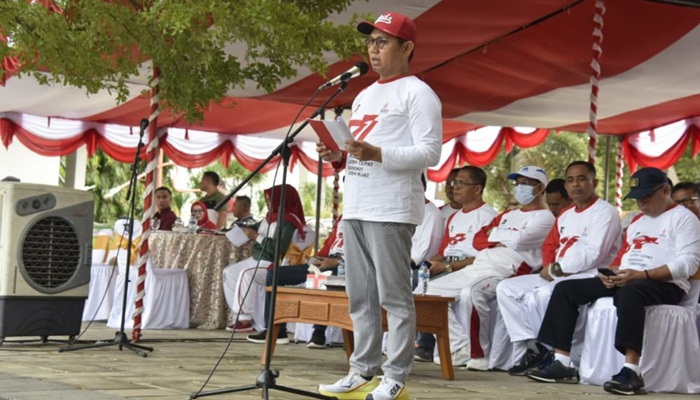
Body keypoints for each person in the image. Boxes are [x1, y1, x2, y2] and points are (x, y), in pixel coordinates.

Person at [316, 11, 443, 400]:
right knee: (360, 295)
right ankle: (362, 369)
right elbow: (359, 149)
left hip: (390, 208)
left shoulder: (418, 93)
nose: (373, 49)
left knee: (393, 297)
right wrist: (337, 154)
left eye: (383, 41)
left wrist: (375, 153)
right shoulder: (366, 94)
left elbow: (431, 152)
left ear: (406, 48)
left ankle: (396, 375)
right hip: (356, 204)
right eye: (371, 41)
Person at [526, 168, 700, 396]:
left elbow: (688, 264)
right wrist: (612, 274)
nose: (641, 203)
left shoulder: (684, 218)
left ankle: (631, 371)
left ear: (665, 190)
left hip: (666, 284)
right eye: (637, 198)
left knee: (630, 293)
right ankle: (562, 362)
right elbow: (627, 257)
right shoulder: (638, 221)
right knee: (565, 289)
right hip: (629, 277)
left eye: (646, 197)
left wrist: (642, 275)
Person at [496, 161, 622, 376]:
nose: (575, 185)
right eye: (570, 180)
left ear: (595, 182)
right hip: (558, 272)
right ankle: (537, 346)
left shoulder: (605, 212)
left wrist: (556, 268)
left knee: (545, 294)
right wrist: (549, 266)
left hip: (590, 274)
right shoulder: (566, 214)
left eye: (582, 179)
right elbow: (551, 245)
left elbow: (595, 254)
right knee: (506, 288)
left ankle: (558, 356)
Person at [450, 166, 555, 371]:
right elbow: (478, 239)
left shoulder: (545, 216)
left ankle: (478, 355)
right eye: (518, 183)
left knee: (470, 293)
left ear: (540, 188)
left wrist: (496, 235)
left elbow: (522, 240)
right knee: (424, 291)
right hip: (481, 264)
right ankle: (459, 345)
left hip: (512, 269)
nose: (520, 188)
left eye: (526, 183)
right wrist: (503, 237)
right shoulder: (508, 214)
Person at [414, 166, 498, 366]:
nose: (455, 187)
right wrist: (430, 263)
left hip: (474, 270)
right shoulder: (454, 216)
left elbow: (484, 257)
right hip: (448, 268)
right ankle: (454, 344)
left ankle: (456, 345)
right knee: (420, 286)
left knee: (425, 291)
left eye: (461, 183)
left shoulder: (489, 216)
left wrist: (448, 267)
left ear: (477, 189)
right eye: (454, 182)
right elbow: (443, 252)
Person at [246, 215, 345, 347]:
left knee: (322, 276)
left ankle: (318, 333)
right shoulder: (342, 217)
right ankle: (276, 330)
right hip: (326, 261)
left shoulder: (365, 217)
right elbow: (330, 243)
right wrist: (317, 258)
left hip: (346, 266)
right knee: (274, 275)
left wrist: (337, 262)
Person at [222, 184, 306, 332]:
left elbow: (277, 249)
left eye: (270, 200)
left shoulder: (288, 221)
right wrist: (244, 229)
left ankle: (245, 319)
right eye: (266, 200)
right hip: (257, 258)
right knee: (229, 273)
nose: (267, 203)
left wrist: (256, 236)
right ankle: (240, 315)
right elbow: (256, 228)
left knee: (247, 274)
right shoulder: (269, 217)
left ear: (281, 200)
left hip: (272, 262)